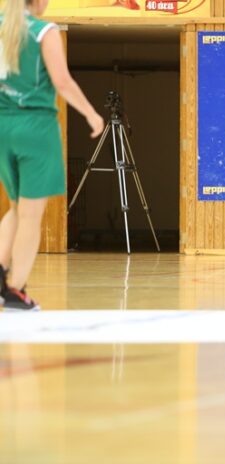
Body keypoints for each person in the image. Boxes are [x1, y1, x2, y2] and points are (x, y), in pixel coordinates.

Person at [1, 0, 104, 311]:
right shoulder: (43, 31)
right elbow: (62, 82)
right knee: (30, 215)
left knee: (16, 206)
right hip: (36, 126)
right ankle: (15, 291)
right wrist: (91, 114)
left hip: (3, 125)